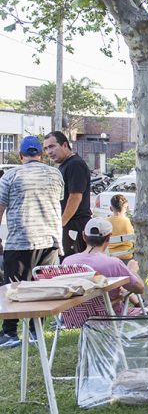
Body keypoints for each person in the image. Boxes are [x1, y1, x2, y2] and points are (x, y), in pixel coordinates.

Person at [0, 137, 64, 349]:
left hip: (20, 240)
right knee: (43, 288)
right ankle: (37, 332)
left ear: (21, 156)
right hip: (50, 239)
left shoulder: (11, 175)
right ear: (41, 155)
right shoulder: (55, 174)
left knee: (13, 288)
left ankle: (10, 333)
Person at [62, 217, 145, 313]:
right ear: (109, 238)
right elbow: (140, 289)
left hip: (75, 318)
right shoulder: (113, 264)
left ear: (84, 236)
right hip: (108, 318)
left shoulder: (67, 262)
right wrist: (132, 271)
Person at [43, 131, 92, 256]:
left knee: (73, 269)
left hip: (75, 225)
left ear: (65, 145)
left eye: (52, 146)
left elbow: (75, 196)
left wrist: (60, 224)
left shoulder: (75, 164)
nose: (49, 152)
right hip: (68, 225)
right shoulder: (64, 166)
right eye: (46, 148)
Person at [107, 194, 135, 259]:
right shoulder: (128, 221)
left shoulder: (106, 222)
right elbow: (134, 240)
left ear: (111, 208)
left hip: (110, 256)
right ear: (126, 208)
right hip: (127, 256)